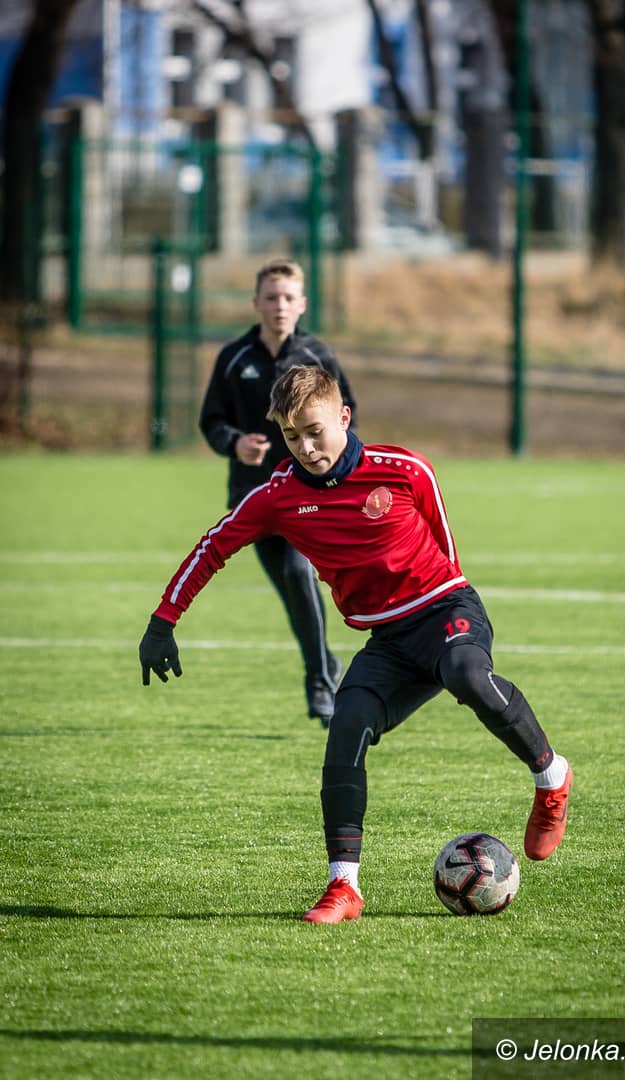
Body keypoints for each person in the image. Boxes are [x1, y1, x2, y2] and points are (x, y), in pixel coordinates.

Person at [140, 366, 573, 924]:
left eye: (315, 431)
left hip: (446, 610)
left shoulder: (404, 469)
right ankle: (343, 887)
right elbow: (214, 546)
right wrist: (163, 621)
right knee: (346, 724)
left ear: (344, 417)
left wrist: (448, 608)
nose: (306, 447)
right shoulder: (278, 496)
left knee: (467, 674)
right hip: (388, 641)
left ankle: (551, 778)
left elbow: (447, 554)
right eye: (292, 437)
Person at [199, 257, 356, 725]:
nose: (280, 305)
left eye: (288, 297)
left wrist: (337, 473)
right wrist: (235, 443)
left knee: (297, 571)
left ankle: (320, 685)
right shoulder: (234, 358)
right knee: (292, 593)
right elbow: (211, 420)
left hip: (309, 494)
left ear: (302, 303)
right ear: (256, 303)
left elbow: (346, 417)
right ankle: (326, 664)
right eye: (271, 297)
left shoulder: (318, 356)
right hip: (256, 496)